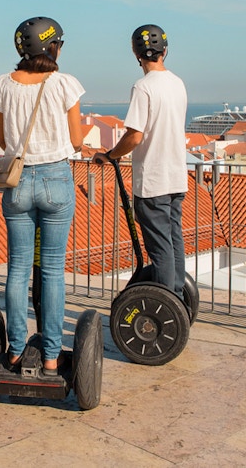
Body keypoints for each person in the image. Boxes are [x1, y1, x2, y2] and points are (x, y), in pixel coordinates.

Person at [0, 16, 84, 375]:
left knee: (17, 269)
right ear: (52, 46)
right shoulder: (64, 84)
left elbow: (2, 141)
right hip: (56, 178)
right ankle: (49, 354)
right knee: (53, 271)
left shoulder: (3, 85)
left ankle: (14, 350)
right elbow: (76, 141)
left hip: (17, 181)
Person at [93, 24, 187, 299]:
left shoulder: (143, 87)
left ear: (136, 54)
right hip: (176, 177)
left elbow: (134, 136)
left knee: (160, 249)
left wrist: (110, 155)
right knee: (174, 241)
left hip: (152, 181)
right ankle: (177, 298)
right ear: (165, 51)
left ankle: (164, 305)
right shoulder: (177, 83)